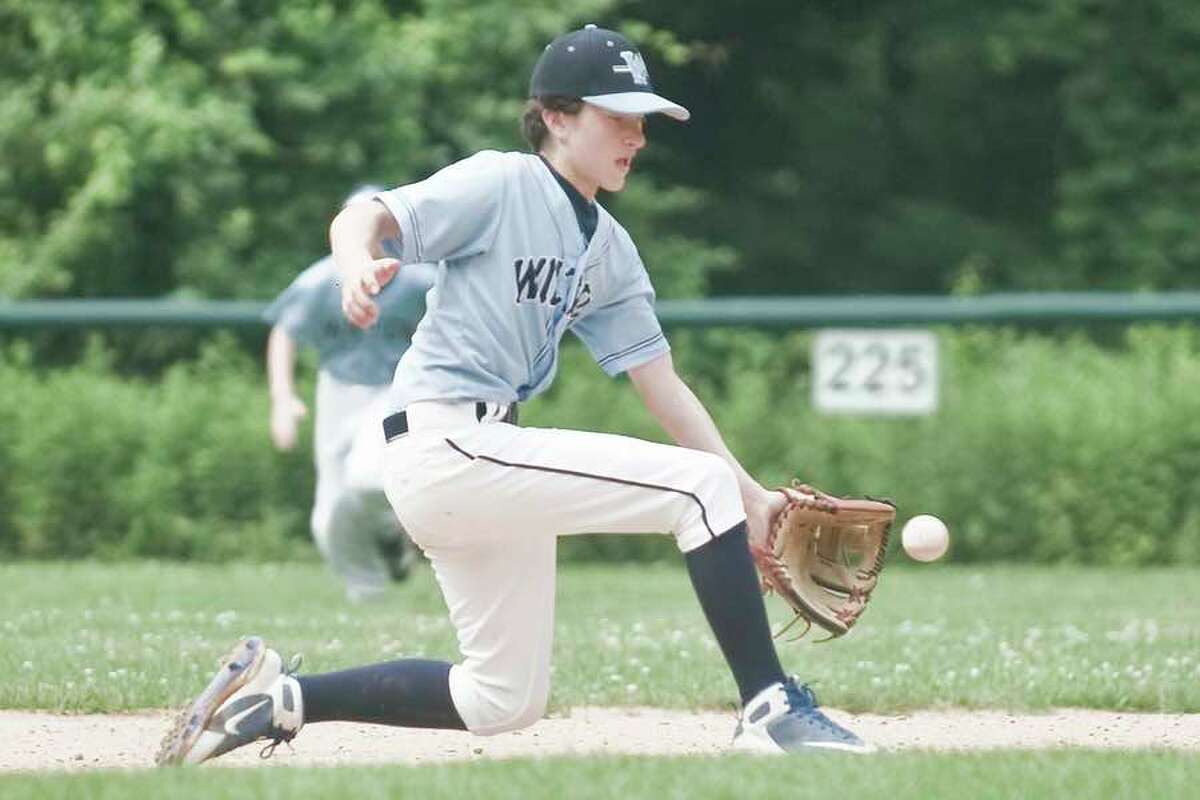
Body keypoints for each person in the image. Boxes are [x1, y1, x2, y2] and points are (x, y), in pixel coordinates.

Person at [158, 25, 872, 766]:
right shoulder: (502, 184)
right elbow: (363, 215)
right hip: (448, 442)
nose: (637, 135)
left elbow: (661, 384)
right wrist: (352, 266)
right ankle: (768, 705)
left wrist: (752, 497)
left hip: (480, 457)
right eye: (617, 116)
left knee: (502, 698)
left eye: (642, 120)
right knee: (695, 489)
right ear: (557, 116)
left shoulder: (610, 250)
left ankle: (281, 699)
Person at [263, 186, 436, 601]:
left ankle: (395, 530)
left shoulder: (416, 279)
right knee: (327, 519)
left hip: (395, 390)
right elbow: (284, 332)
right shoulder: (323, 278)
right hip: (338, 391)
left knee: (368, 479)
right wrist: (282, 400)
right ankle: (368, 590)